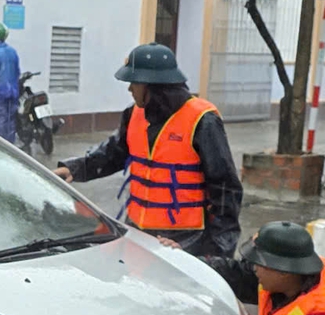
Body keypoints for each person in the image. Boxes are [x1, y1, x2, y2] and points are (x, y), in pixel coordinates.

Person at [54, 42, 242, 258]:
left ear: (151, 85)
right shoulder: (134, 114)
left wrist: (216, 254)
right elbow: (113, 153)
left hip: (185, 240)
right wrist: (74, 169)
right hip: (138, 232)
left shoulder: (203, 120)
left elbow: (226, 189)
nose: (129, 89)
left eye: (134, 82)